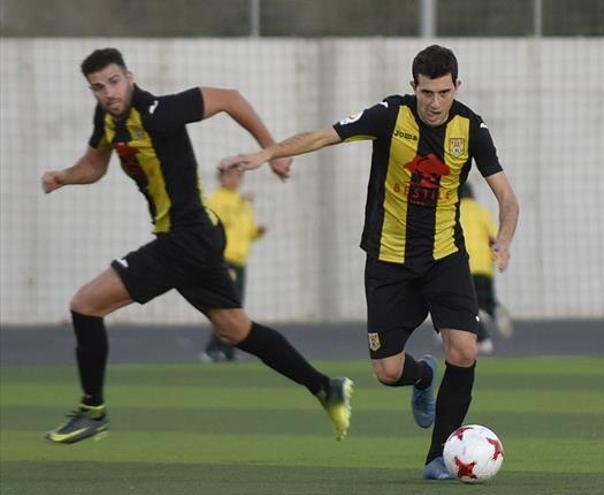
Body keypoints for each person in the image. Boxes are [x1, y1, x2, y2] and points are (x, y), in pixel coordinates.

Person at [223, 44, 519, 480]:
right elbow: (323, 135)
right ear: (412, 87)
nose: (434, 103)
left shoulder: (472, 128)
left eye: (443, 92)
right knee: (387, 371)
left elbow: (507, 197)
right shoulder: (389, 115)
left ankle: (438, 456)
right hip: (388, 260)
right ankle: (421, 378)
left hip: (444, 256)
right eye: (426, 93)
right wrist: (268, 153)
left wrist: (505, 241)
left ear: (457, 86)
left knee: (464, 349)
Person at [40, 48, 352, 445]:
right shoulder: (107, 119)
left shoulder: (159, 111)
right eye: (98, 87)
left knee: (85, 305)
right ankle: (326, 387)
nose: (109, 93)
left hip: (185, 239)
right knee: (236, 329)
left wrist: (270, 152)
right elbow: (93, 166)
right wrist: (63, 177)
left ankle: (92, 411)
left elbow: (230, 99)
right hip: (197, 238)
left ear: (129, 77)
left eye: (114, 82)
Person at [201, 167, 266, 362]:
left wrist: (258, 232)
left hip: (240, 260)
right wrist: (241, 203)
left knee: (236, 306)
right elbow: (219, 223)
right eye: (233, 175)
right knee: (226, 306)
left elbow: (245, 233)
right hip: (224, 259)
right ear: (221, 178)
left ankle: (227, 349)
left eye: (240, 175)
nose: (238, 179)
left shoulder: (241, 201)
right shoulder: (218, 199)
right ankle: (214, 349)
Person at [459, 182, 514, 355]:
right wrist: (494, 258)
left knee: (467, 305)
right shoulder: (482, 212)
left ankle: (483, 340)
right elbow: (493, 239)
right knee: (484, 300)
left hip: (464, 264)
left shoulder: (455, 211)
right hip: (483, 266)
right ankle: (495, 309)